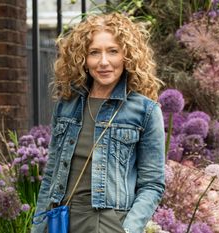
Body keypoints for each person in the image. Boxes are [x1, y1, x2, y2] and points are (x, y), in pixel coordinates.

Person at [32, 12, 165, 233]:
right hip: (60, 221)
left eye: (113, 51)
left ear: (127, 56)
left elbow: (152, 184)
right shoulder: (67, 106)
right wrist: (38, 226)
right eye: (94, 53)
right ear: (82, 59)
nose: (104, 62)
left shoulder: (145, 111)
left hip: (107, 224)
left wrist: (129, 229)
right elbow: (51, 174)